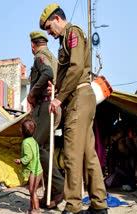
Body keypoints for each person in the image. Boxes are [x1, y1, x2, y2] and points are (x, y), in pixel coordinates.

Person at [40, 4, 108, 214]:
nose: (50, 34)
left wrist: (59, 98)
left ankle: (73, 206)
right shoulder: (65, 39)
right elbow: (71, 69)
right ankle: (98, 205)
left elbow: (77, 67)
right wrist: (58, 86)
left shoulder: (73, 33)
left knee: (71, 154)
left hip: (78, 96)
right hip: (79, 96)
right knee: (89, 155)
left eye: (50, 28)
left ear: (58, 19)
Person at [27, 31, 64, 208]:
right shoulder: (52, 57)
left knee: (34, 146)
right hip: (53, 106)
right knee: (45, 152)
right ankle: (51, 194)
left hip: (45, 106)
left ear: (33, 45)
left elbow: (47, 73)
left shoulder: (40, 57)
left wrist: (32, 93)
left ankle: (59, 187)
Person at [14, 119, 43, 214]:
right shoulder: (33, 140)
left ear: (23, 131)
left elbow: (29, 156)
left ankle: (36, 209)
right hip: (37, 169)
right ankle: (32, 208)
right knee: (32, 190)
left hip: (34, 170)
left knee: (32, 190)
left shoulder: (25, 142)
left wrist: (20, 161)